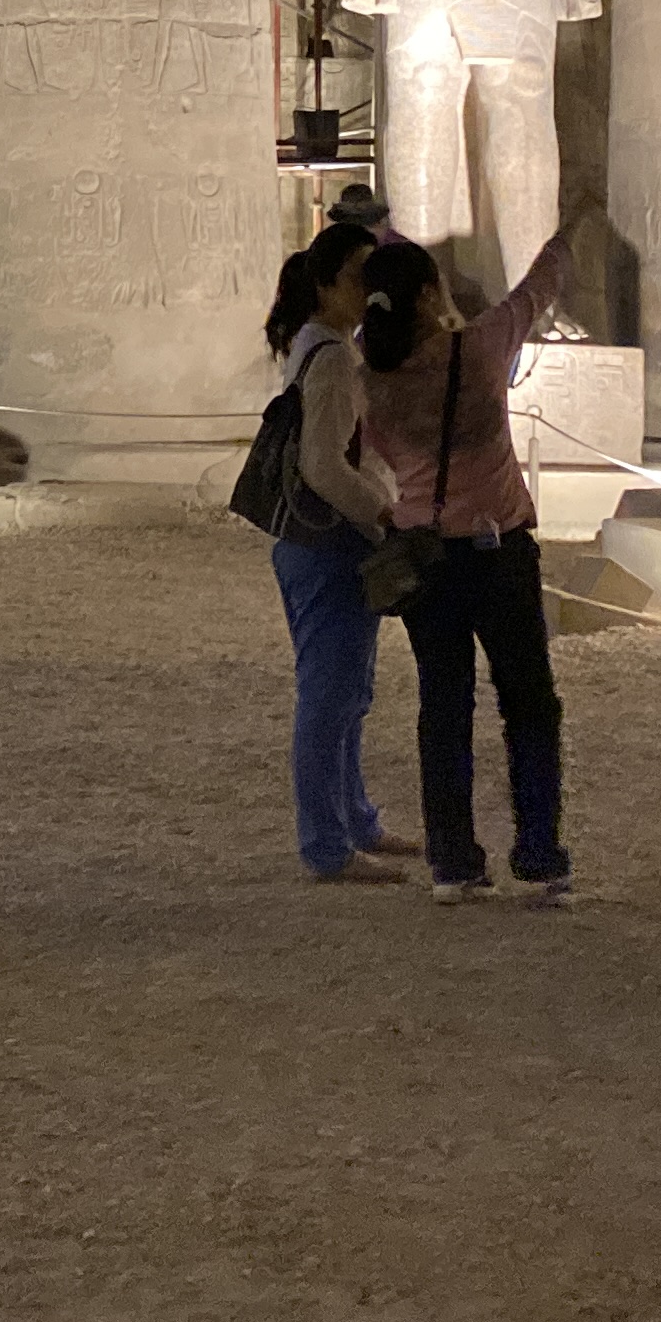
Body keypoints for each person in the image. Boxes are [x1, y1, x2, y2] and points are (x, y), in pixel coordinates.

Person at [357, 224, 581, 904]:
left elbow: (372, 458)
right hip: (497, 544)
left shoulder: (371, 378)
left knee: (444, 705)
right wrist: (569, 233)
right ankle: (539, 855)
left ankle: (453, 862)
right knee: (529, 703)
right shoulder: (477, 348)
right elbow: (535, 292)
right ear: (430, 296)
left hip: (423, 552)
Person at [261, 221, 414, 883]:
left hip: (312, 543)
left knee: (346, 692)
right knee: (330, 698)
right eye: (357, 275)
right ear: (325, 285)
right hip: (330, 543)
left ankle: (354, 820)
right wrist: (384, 517)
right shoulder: (330, 358)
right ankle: (327, 842)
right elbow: (325, 466)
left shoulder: (316, 346)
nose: (367, 288)